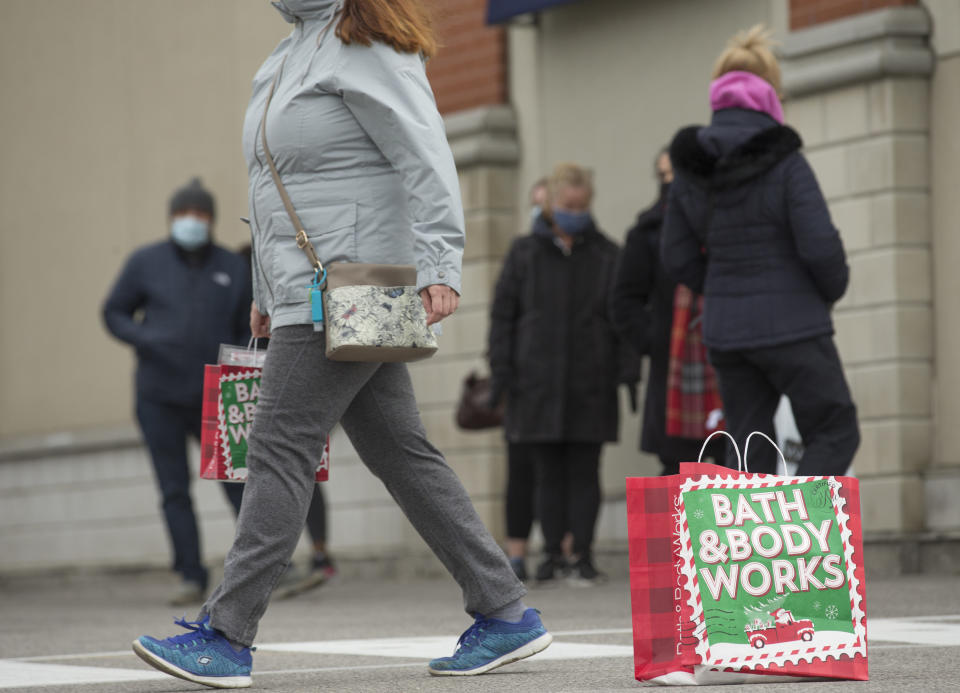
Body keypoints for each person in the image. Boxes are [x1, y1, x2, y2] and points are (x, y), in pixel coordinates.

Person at [132, 1, 551, 688]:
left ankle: (228, 633)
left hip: (354, 290)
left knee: (278, 444)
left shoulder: (366, 42)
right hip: (316, 291)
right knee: (401, 452)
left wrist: (443, 265)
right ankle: (505, 611)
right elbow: (276, 191)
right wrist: (267, 292)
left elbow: (426, 152)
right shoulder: (293, 49)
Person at [660, 25, 860, 475]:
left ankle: (754, 546)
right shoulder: (787, 161)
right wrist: (827, 291)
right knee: (835, 427)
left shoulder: (691, 168)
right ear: (771, 93)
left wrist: (720, 283)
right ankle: (801, 533)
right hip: (794, 326)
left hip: (728, 333)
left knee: (749, 446)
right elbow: (820, 244)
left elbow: (676, 255)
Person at [488, 162, 639, 586]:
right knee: (547, 472)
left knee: (585, 470)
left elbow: (622, 318)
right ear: (551, 204)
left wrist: (627, 372)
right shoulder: (524, 254)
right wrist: (502, 373)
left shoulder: (608, 254)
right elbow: (503, 318)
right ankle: (553, 553)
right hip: (535, 382)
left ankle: (583, 554)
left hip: (591, 381)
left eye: (581, 204)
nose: (575, 211)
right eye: (567, 204)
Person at [102, 177, 249, 606]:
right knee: (173, 489)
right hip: (158, 395)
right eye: (185, 214)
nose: (192, 222)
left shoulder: (232, 267)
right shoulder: (145, 263)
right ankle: (190, 575)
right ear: (172, 218)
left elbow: (247, 325)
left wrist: (238, 369)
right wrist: (145, 339)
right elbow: (113, 312)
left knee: (237, 484)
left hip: (218, 393)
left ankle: (258, 569)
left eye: (201, 215)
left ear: (212, 219)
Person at [611, 150, 725, 474]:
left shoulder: (723, 220)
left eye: (674, 173)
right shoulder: (647, 232)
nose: (669, 182)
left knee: (738, 467)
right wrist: (658, 341)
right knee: (680, 472)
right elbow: (623, 301)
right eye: (662, 175)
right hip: (677, 373)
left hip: (728, 361)